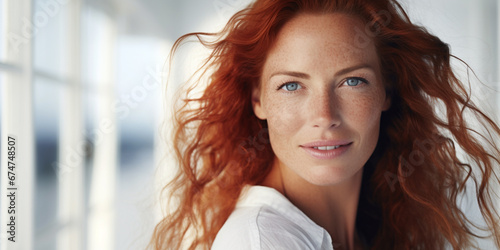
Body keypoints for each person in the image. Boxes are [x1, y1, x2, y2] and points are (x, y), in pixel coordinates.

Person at [149, 0, 500, 249]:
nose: (324, 116)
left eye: (352, 81)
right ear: (258, 100)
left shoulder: (371, 228)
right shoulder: (261, 242)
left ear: (386, 91)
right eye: (291, 85)